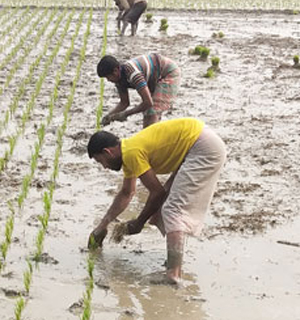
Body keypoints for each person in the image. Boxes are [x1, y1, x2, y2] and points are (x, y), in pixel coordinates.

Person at [87, 118, 227, 283]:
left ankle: (173, 275)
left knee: (172, 209)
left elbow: (157, 193)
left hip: (202, 147)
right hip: (196, 145)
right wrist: (101, 227)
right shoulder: (128, 153)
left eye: (100, 161)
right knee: (162, 209)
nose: (104, 166)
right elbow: (126, 193)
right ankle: (174, 261)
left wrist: (139, 222)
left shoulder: (132, 152)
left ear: (107, 152)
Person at [98, 53, 180, 129]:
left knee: (153, 110)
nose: (108, 80)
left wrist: (125, 114)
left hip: (167, 73)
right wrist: (109, 116)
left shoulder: (133, 74)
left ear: (115, 71)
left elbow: (148, 102)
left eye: (107, 77)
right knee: (147, 113)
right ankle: (148, 138)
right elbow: (124, 103)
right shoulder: (119, 79)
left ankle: (152, 141)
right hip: (154, 75)